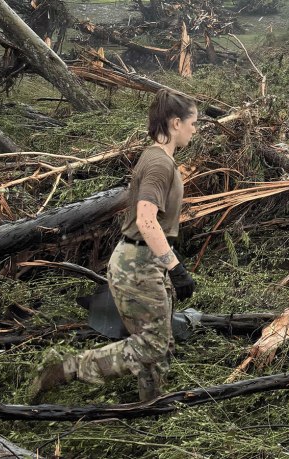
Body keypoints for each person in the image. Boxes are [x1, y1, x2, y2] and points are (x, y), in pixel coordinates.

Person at [29, 89, 198, 402]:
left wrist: (167, 260)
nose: (194, 130)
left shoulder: (155, 156)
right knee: (151, 345)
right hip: (138, 264)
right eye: (192, 123)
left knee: (156, 340)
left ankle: (149, 402)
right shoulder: (160, 165)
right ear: (176, 123)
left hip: (142, 260)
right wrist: (175, 267)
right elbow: (146, 220)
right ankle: (68, 369)